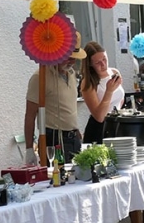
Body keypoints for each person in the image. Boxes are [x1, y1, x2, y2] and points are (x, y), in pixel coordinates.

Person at [24, 32, 85, 164]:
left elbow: (68, 107)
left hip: (73, 137)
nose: (72, 62)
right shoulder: (40, 77)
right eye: (69, 57)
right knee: (56, 175)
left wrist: (76, 130)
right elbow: (30, 115)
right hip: (53, 140)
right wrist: (29, 149)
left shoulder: (71, 74)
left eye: (75, 58)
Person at [79, 41, 125, 144]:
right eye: (97, 62)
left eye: (104, 59)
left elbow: (120, 98)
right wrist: (109, 91)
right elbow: (99, 117)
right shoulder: (88, 82)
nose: (103, 64)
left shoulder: (114, 72)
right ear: (90, 64)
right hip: (99, 129)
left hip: (116, 124)